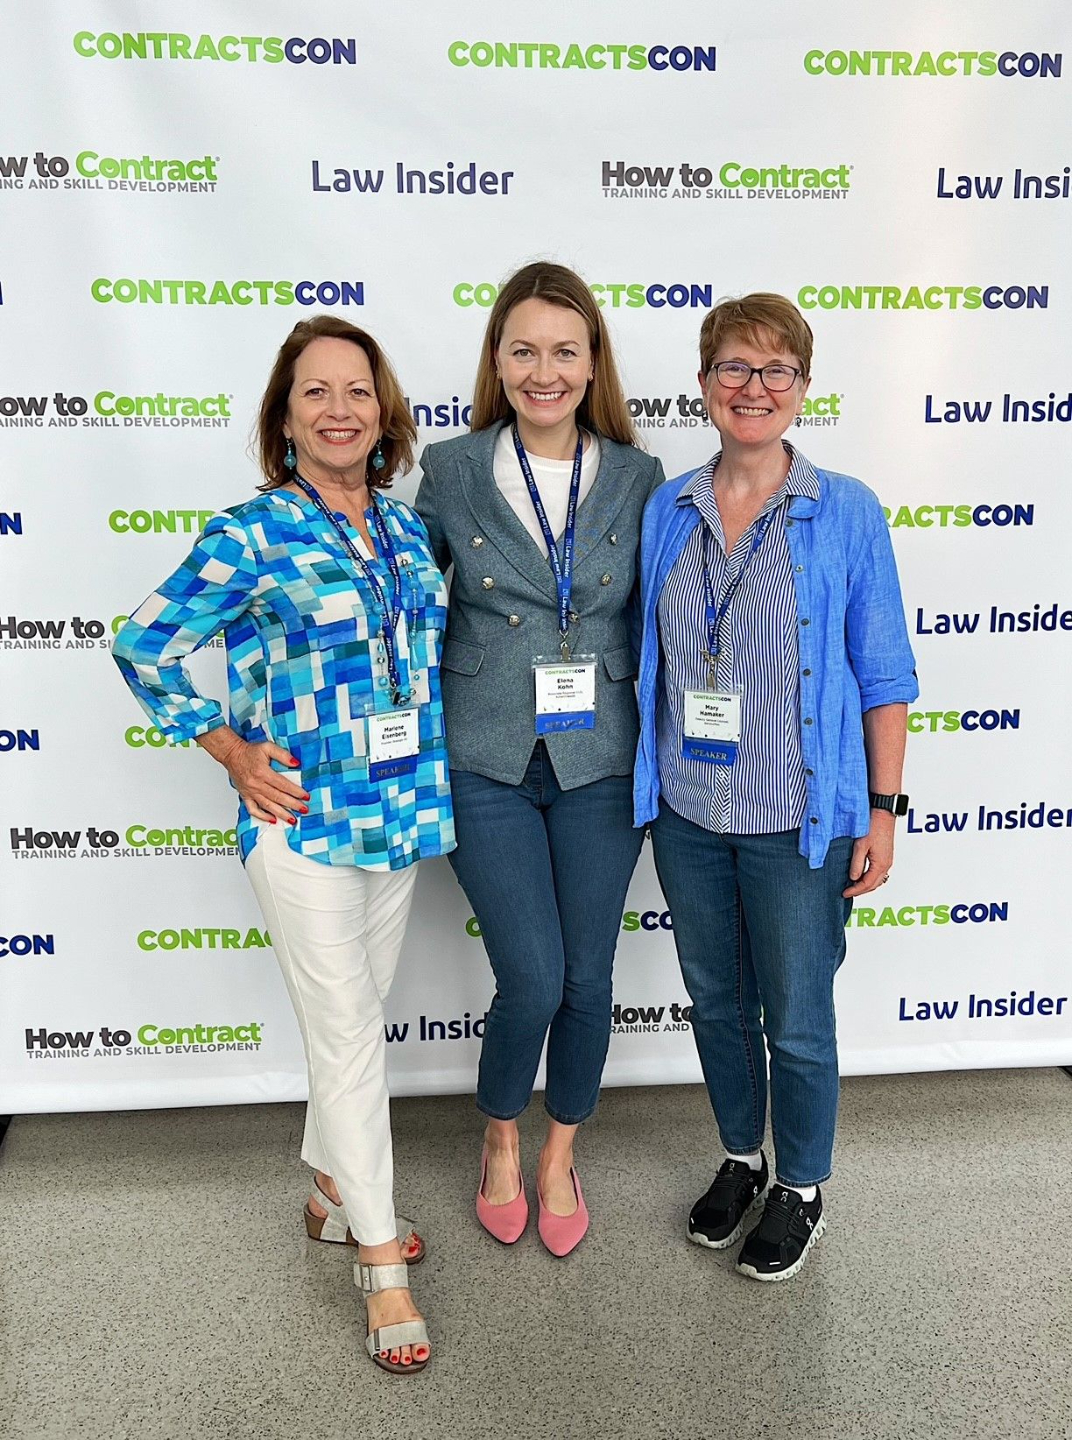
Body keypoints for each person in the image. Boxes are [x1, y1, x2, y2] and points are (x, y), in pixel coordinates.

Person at [113, 316, 453, 1371]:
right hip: (298, 821)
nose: (340, 409)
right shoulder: (250, 533)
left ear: (383, 414)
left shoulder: (407, 532)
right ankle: (380, 1266)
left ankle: (329, 1189)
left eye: (358, 390)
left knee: (353, 1026)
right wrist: (228, 749)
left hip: (397, 816)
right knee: (348, 1034)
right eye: (316, 392)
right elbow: (141, 644)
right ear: (285, 416)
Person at [635, 293, 918, 1281]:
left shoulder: (846, 510)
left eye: (775, 371)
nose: (752, 388)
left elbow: (883, 673)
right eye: (733, 367)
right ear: (703, 382)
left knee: (796, 1018)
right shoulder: (667, 509)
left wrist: (882, 810)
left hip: (798, 820)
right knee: (716, 1003)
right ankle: (740, 1159)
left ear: (802, 387)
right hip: (687, 811)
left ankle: (800, 1184)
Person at [415, 262, 664, 1256]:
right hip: (483, 752)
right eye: (523, 350)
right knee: (533, 977)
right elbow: (399, 600)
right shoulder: (451, 469)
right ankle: (500, 1140)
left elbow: (665, 616)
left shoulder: (640, 477)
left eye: (564, 351)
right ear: (497, 359)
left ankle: (559, 1154)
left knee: (588, 979)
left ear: (593, 362)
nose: (543, 371)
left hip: (599, 756)